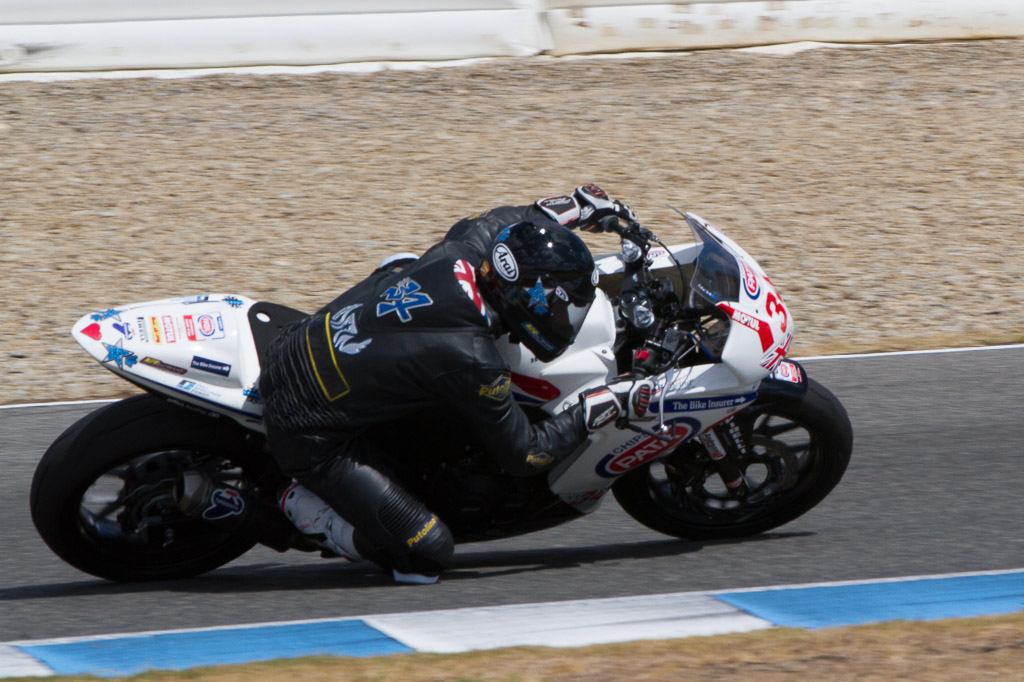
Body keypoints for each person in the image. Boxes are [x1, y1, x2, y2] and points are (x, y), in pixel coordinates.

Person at [259, 185, 652, 584]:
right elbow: (526, 455)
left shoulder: (463, 249)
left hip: (297, 341)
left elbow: (516, 216)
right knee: (428, 555)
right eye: (559, 306)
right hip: (308, 431)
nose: (565, 316)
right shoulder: (473, 357)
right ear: (526, 300)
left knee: (403, 264)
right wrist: (599, 406)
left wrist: (578, 206)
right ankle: (313, 512)